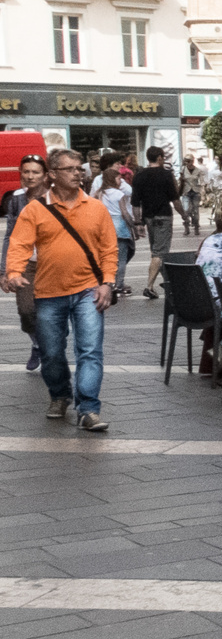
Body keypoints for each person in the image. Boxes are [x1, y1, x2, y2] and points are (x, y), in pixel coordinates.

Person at [4, 148, 116, 431]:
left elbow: (108, 249)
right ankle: (59, 394)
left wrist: (107, 283)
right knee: (51, 354)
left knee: (90, 351)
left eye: (81, 169)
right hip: (49, 293)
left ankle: (88, 409)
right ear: (53, 175)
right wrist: (14, 272)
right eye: (71, 169)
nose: (79, 173)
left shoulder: (96, 208)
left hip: (88, 291)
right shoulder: (35, 209)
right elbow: (19, 243)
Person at [3, 154, 47, 372]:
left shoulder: (55, 197)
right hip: (26, 263)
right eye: (26, 172)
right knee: (26, 310)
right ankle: (38, 344)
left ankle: (51, 347)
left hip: (53, 264)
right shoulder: (16, 199)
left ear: (45, 175)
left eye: (35, 172)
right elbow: (10, 235)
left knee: (50, 312)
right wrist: (5, 270)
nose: (30, 176)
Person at [130, 146, 179, 300]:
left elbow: (135, 202)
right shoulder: (166, 175)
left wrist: (138, 222)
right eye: (163, 157)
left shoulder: (139, 175)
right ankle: (149, 286)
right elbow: (175, 198)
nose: (164, 159)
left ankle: (170, 283)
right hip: (163, 216)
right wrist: (184, 214)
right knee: (159, 252)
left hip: (149, 218)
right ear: (159, 158)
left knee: (157, 250)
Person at [92, 153, 136, 298]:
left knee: (107, 256)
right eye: (119, 178)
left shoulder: (100, 193)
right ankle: (119, 285)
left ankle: (107, 282)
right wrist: (134, 226)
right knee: (121, 258)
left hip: (104, 228)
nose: (121, 180)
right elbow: (125, 213)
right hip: (120, 228)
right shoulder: (118, 194)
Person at [179, 154, 206, 235]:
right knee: (186, 210)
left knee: (196, 210)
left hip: (195, 192)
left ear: (192, 161)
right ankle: (186, 227)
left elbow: (202, 182)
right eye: (186, 161)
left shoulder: (198, 170)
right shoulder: (183, 169)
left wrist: (203, 191)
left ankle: (196, 227)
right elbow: (179, 180)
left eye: (189, 161)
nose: (187, 163)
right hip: (186, 192)